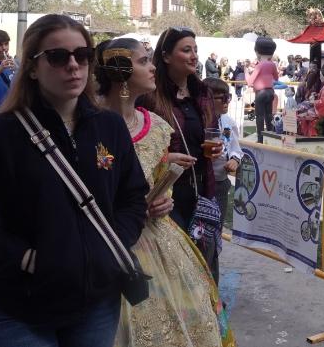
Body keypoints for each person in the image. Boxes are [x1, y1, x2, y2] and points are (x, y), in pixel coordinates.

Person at [0, 14, 148, 347]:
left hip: (96, 304)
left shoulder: (109, 126)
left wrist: (107, 247)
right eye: (58, 57)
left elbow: (133, 197)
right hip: (18, 308)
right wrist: (27, 259)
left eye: (82, 55)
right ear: (32, 67)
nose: (74, 65)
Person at [95, 40, 234, 347]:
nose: (153, 66)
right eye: (144, 61)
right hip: (111, 240)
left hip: (161, 238)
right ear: (121, 73)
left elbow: (157, 176)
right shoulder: (88, 126)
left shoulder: (156, 126)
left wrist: (164, 197)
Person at [138, 27, 222, 278]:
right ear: (166, 57)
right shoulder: (149, 97)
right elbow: (138, 148)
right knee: (178, 270)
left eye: (195, 50)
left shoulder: (202, 93)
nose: (194, 56)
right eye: (186, 50)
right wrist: (166, 159)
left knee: (205, 264)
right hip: (168, 195)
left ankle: (210, 315)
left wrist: (217, 148)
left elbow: (212, 133)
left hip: (203, 190)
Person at [205, 77, 242, 220]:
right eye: (222, 98)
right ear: (207, 100)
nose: (227, 101)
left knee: (216, 227)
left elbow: (234, 147)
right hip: (202, 181)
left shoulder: (227, 122)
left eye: (229, 97)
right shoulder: (198, 121)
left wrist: (234, 159)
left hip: (220, 183)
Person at [247, 37, 279, 143]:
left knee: (259, 116)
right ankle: (270, 135)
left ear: (257, 51)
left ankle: (260, 138)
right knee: (269, 114)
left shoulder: (259, 65)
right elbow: (276, 78)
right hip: (270, 91)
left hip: (260, 93)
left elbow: (250, 81)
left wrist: (246, 73)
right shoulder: (272, 64)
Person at [297, 66, 324, 137]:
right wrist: (316, 95)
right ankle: (305, 133)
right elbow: (323, 98)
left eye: (321, 75)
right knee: (303, 109)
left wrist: (313, 102)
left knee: (306, 113)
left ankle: (311, 135)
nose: (320, 77)